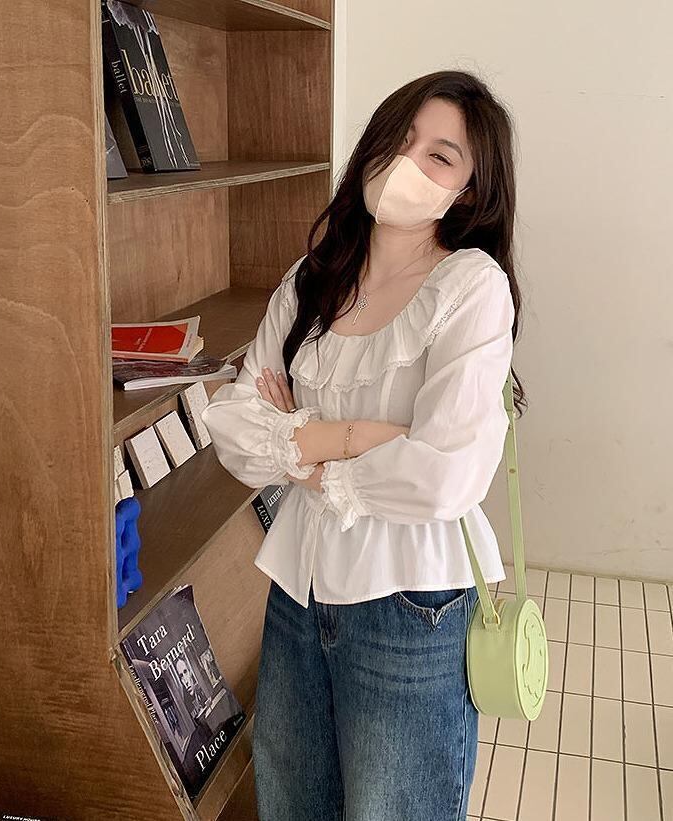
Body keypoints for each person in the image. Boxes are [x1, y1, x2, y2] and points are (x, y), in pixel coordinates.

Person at [200, 69, 527, 821]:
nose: (408, 162)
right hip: (299, 589)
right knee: (290, 800)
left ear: (469, 192)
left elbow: (445, 474)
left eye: (440, 155)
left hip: (410, 604)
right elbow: (233, 427)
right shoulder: (312, 280)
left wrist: (303, 438)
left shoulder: (469, 287)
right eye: (400, 139)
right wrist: (360, 439)